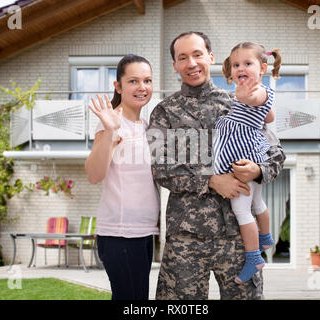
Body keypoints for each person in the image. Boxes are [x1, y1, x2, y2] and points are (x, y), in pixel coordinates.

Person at [147, 32, 285, 300]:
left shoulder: (243, 101)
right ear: (174, 65)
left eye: (197, 54)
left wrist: (258, 171)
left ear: (210, 57)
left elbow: (276, 154)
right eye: (182, 58)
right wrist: (210, 179)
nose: (191, 63)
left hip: (239, 239)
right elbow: (159, 167)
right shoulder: (164, 112)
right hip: (185, 239)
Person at [85, 54, 159, 300]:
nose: (142, 87)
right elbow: (94, 174)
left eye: (147, 81)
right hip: (120, 234)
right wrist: (110, 131)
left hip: (143, 232)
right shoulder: (112, 124)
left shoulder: (146, 126)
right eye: (133, 81)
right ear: (118, 86)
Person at [214, 42, 282, 284]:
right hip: (251, 155)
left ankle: (254, 257)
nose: (240, 68)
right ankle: (265, 236)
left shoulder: (256, 91)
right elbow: (269, 114)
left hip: (245, 159)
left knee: (241, 210)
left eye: (247, 64)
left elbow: (256, 99)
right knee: (257, 201)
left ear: (262, 68)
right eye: (236, 65)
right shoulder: (258, 93)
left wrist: (244, 95)